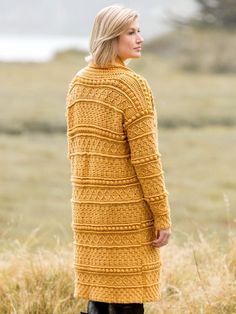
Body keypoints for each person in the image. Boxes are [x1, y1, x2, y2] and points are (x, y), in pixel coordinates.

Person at [65, 4, 172, 314]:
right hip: (126, 215)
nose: (140, 38)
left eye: (138, 30)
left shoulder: (78, 82)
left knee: (98, 299)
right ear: (111, 37)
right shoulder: (131, 85)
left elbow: (76, 151)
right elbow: (147, 160)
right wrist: (162, 216)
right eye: (131, 32)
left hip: (88, 211)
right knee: (127, 302)